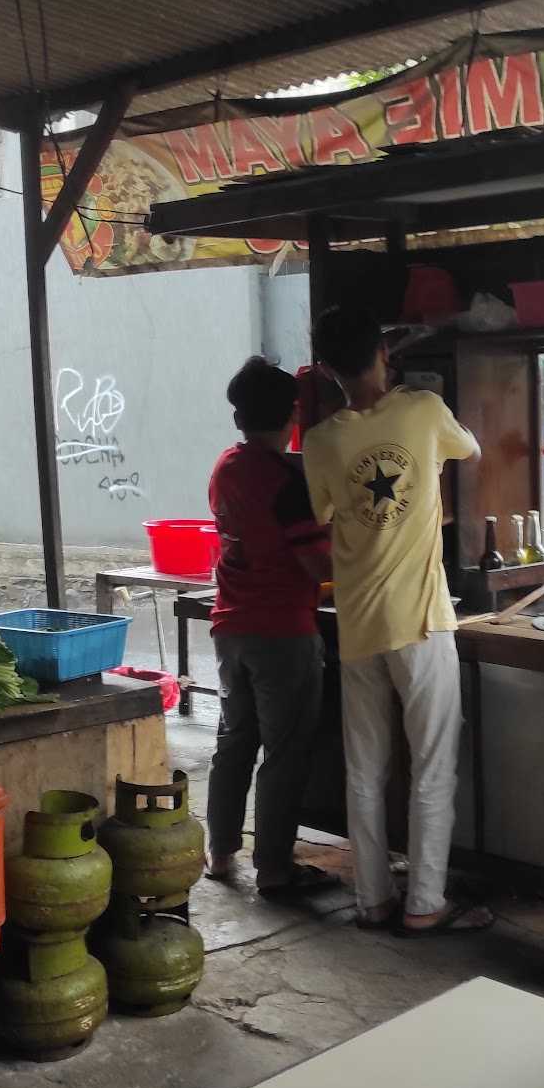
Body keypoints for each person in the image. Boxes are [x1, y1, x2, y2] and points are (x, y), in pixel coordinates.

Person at [302, 306, 490, 935]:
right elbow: (472, 447)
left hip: (357, 625)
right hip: (421, 620)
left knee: (366, 769)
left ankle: (373, 900)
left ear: (327, 368)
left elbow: (327, 511)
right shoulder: (422, 411)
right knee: (432, 763)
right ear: (383, 351)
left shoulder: (322, 441)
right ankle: (425, 902)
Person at [206, 357, 332, 898]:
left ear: (238, 418)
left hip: (231, 627)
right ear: (293, 416)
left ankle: (219, 853)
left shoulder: (225, 468)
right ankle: (275, 870)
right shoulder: (287, 482)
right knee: (284, 752)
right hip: (282, 630)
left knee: (234, 741)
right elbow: (318, 567)